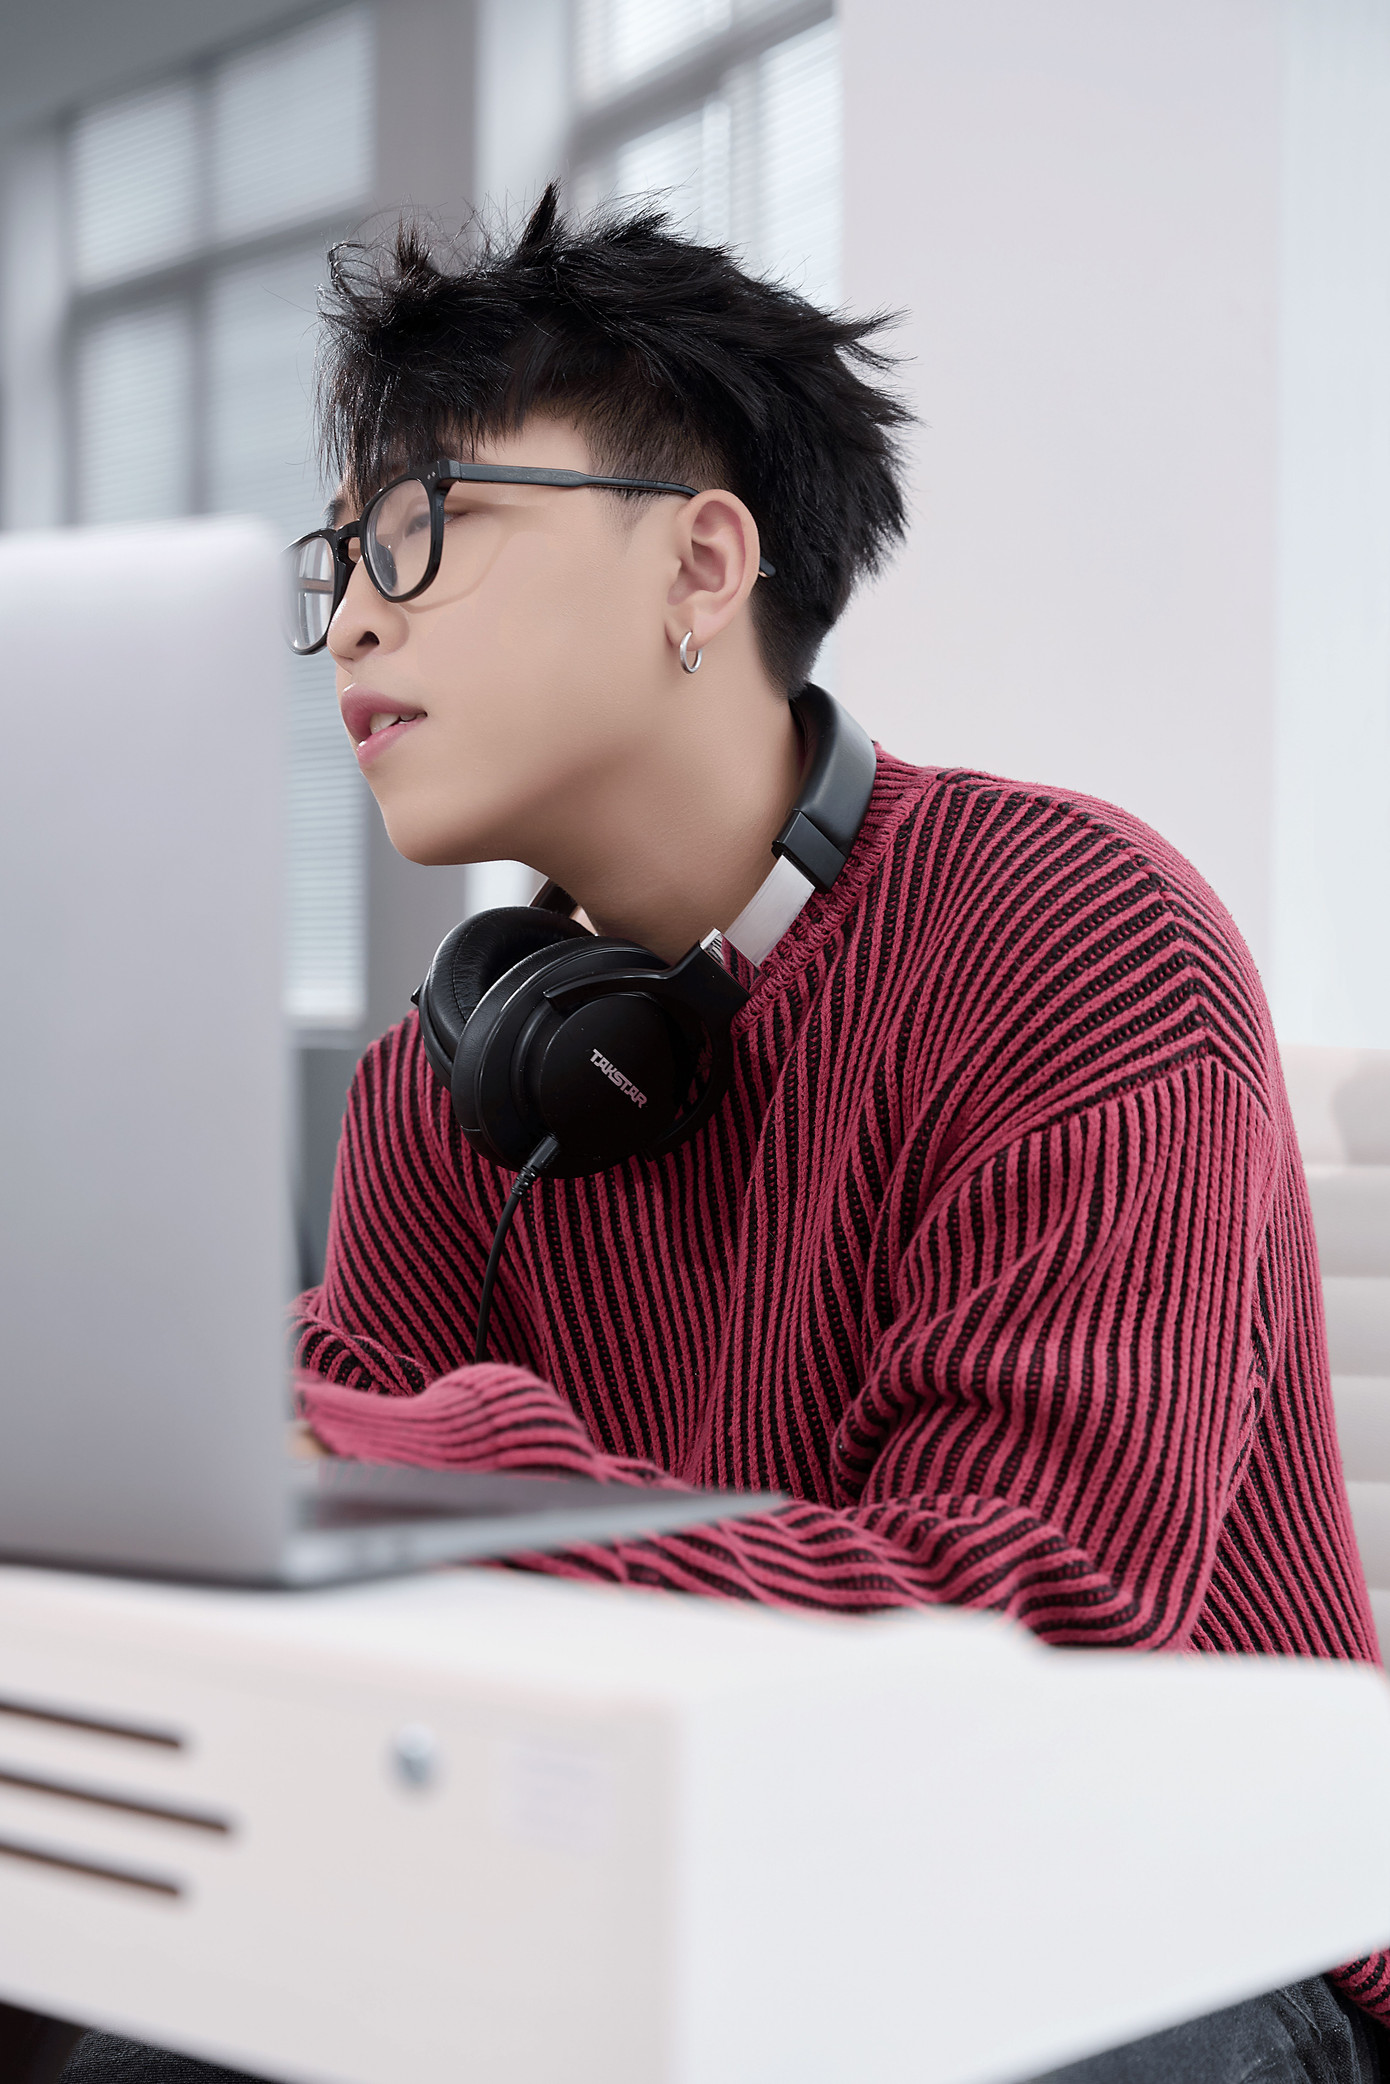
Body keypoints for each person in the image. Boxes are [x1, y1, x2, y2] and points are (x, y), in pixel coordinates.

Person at [64, 188, 1387, 2083]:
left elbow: (1037, 1622)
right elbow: (349, 1554)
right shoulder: (445, 1083)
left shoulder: (1075, 937)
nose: (350, 615)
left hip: (1160, 1916)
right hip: (679, 1873)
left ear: (699, 565)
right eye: (339, 557)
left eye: (423, 526)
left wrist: (415, 1460)